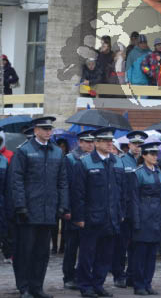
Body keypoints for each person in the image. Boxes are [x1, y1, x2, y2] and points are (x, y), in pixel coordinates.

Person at [10, 116, 69, 298]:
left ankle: (37, 287)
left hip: (48, 210)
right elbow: (17, 180)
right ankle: (24, 287)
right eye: (44, 129)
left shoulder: (57, 153)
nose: (48, 132)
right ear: (36, 130)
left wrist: (63, 205)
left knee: (42, 253)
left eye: (50, 129)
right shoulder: (24, 151)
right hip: (29, 210)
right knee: (25, 251)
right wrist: (21, 206)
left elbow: (62, 181)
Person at [73, 127, 125, 298]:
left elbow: (122, 192)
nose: (110, 143)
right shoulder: (85, 162)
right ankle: (85, 286)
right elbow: (78, 193)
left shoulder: (117, 162)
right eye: (105, 141)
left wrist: (121, 213)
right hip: (91, 218)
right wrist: (79, 217)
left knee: (105, 255)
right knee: (87, 255)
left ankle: (98, 284)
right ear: (96, 143)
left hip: (111, 217)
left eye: (111, 140)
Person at [128, 141, 161, 296]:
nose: (155, 156)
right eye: (151, 154)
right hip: (143, 216)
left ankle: (147, 282)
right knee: (140, 254)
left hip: (156, 218)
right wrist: (136, 221)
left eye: (156, 154)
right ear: (144, 155)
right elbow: (134, 199)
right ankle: (138, 284)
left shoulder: (158, 172)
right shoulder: (137, 173)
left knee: (152, 254)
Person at [112, 130, 147, 289]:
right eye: (135, 144)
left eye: (140, 145)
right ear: (129, 145)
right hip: (125, 210)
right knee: (121, 245)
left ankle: (132, 274)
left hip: (140, 210)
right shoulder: (121, 161)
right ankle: (118, 274)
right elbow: (118, 188)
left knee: (136, 245)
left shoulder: (145, 162)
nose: (138, 147)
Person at [62, 130, 96, 291]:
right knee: (72, 245)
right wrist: (67, 208)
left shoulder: (93, 159)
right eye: (86, 142)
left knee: (87, 246)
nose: (90, 144)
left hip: (89, 209)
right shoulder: (70, 158)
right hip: (74, 209)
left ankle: (83, 275)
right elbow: (66, 185)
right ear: (79, 142)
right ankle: (68, 276)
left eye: (92, 142)